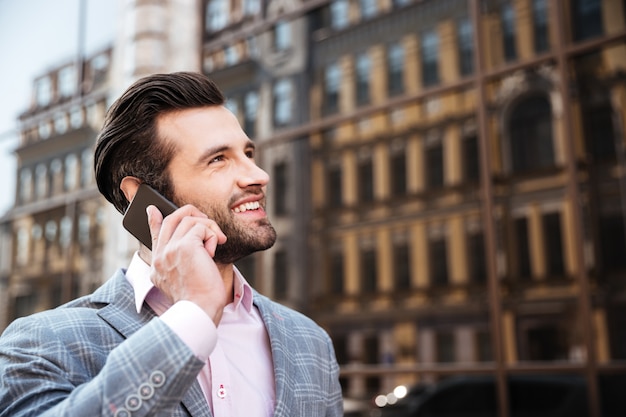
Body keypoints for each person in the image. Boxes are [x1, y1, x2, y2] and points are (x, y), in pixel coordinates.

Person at [0, 72, 343, 417]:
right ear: (145, 197)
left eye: (248, 152)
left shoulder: (309, 341)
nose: (258, 175)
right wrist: (193, 316)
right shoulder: (42, 343)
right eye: (218, 159)